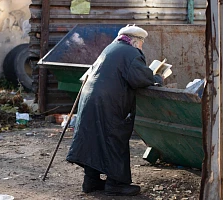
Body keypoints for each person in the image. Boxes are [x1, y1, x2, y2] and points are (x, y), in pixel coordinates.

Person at [66, 24, 163, 196]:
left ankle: (91, 181)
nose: (141, 46)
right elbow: (139, 78)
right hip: (109, 104)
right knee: (115, 138)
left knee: (93, 138)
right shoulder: (131, 53)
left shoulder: (111, 48)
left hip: (89, 101)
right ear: (135, 41)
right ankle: (116, 183)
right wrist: (157, 78)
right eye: (141, 43)